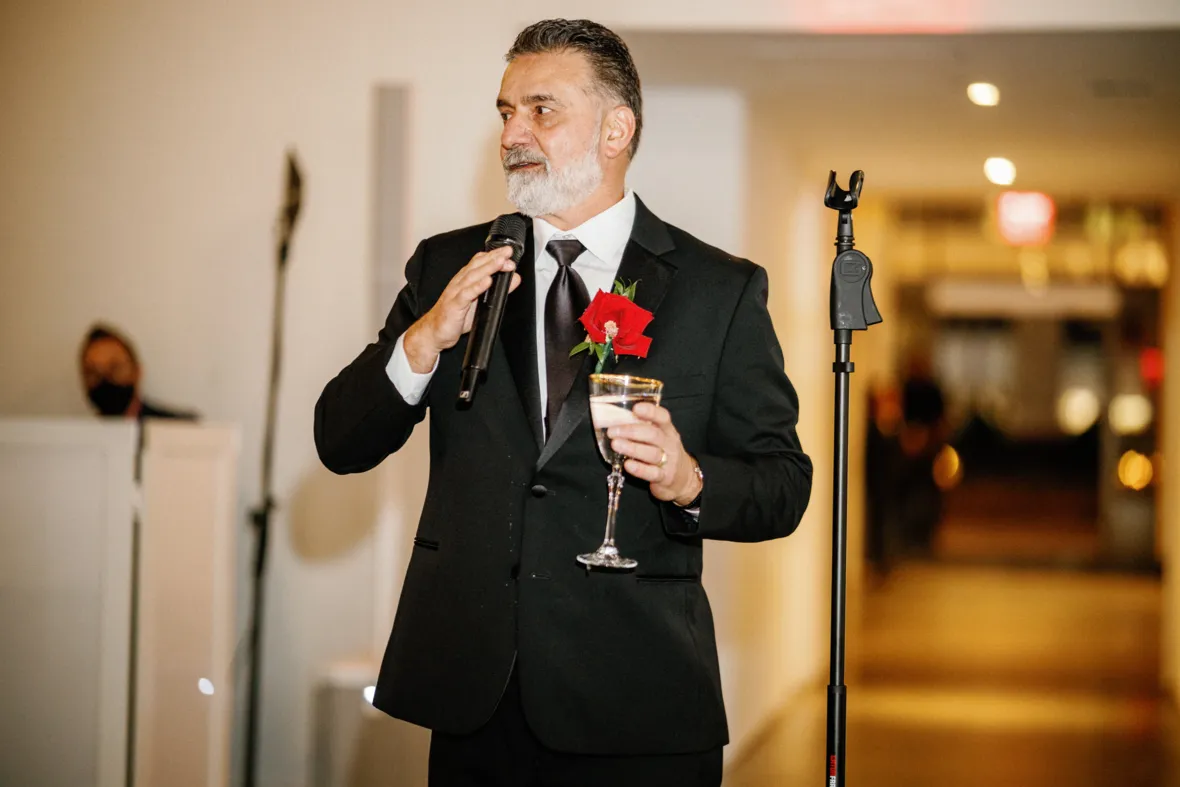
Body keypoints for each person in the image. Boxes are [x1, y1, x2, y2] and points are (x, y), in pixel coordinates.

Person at [315, 19, 812, 787]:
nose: (514, 132)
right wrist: (420, 342)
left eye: (541, 110)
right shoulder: (451, 265)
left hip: (641, 699)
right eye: (505, 111)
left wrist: (688, 480)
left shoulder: (719, 291)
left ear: (618, 129)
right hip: (479, 701)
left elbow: (783, 485)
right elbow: (338, 440)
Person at [79, 323, 196, 421]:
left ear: (137, 371)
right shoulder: (80, 439)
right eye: (92, 372)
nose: (104, 378)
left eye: (115, 368)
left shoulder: (181, 428)